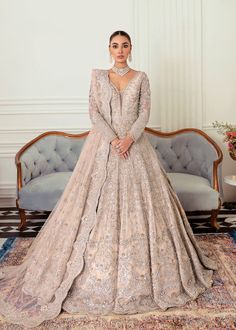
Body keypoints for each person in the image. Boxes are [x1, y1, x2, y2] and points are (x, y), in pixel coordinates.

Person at [0, 30, 218, 328]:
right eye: (115, 46)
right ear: (108, 48)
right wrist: (114, 139)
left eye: (124, 45)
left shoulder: (141, 77)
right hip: (103, 146)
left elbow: (144, 113)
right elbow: (94, 111)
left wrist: (129, 139)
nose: (120, 50)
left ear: (131, 48)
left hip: (135, 148)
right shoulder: (98, 77)